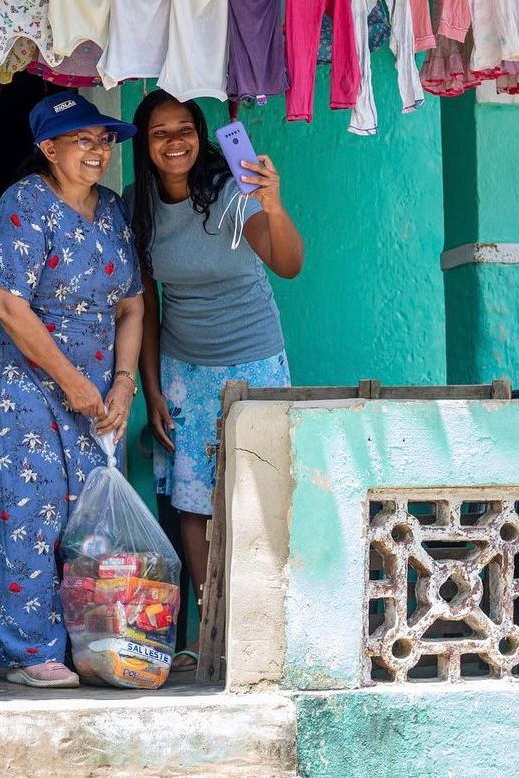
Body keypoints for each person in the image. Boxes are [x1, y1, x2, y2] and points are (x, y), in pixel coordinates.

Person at [0, 92, 144, 688]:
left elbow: (132, 305)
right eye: (82, 140)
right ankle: (29, 650)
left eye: (104, 139)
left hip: (96, 380)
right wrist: (69, 381)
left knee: (90, 511)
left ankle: (91, 642)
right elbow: (7, 306)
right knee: (31, 504)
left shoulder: (115, 211)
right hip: (25, 375)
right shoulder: (25, 204)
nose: (98, 151)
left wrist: (123, 384)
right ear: (48, 147)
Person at [128, 89, 304, 671]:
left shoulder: (233, 193)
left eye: (185, 129)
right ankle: (213, 632)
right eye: (160, 133)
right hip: (183, 372)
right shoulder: (140, 206)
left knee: (260, 493)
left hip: (255, 361)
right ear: (146, 146)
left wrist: (273, 204)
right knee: (194, 503)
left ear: (203, 137)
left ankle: (268, 625)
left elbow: (287, 264)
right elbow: (147, 305)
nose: (174, 141)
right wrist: (151, 387)